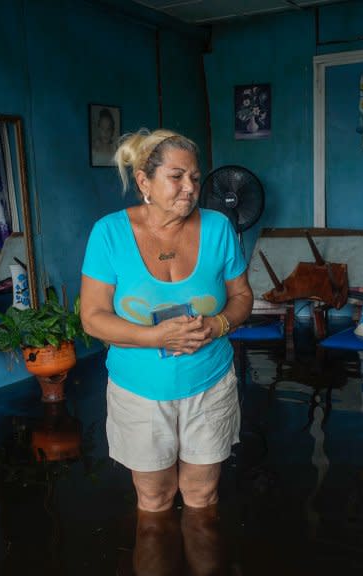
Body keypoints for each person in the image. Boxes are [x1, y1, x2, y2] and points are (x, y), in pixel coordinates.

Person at [80, 128, 253, 513]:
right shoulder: (109, 233)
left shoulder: (218, 228)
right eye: (176, 177)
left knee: (202, 496)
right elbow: (92, 319)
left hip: (210, 384)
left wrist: (217, 325)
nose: (189, 187)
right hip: (138, 390)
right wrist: (155, 336)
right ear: (144, 180)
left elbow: (242, 297)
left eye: (194, 177)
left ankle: (206, 575)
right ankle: (158, 574)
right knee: (154, 499)